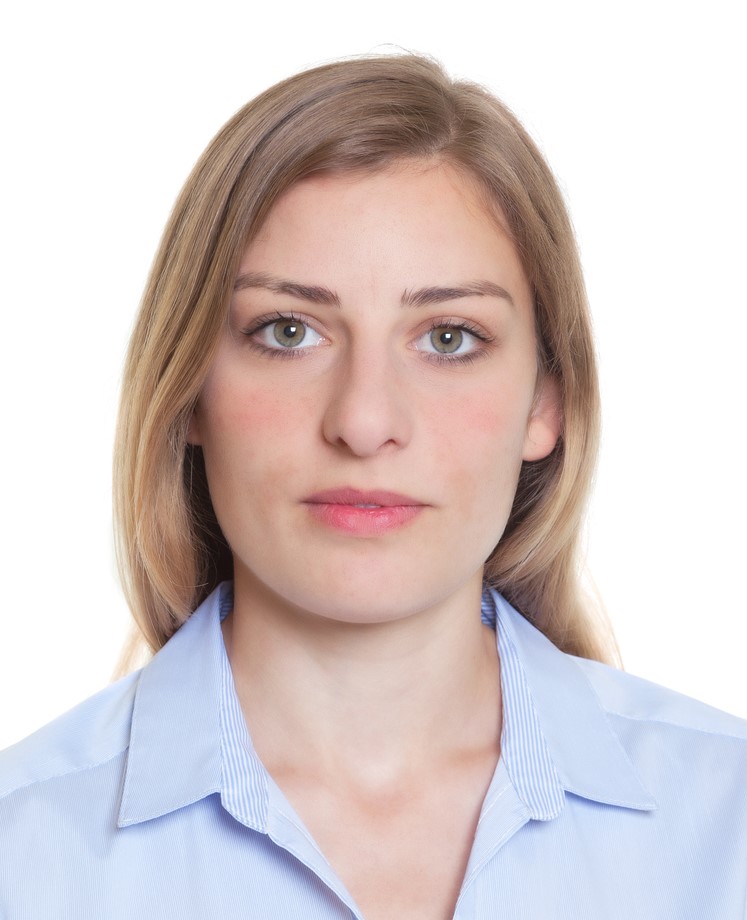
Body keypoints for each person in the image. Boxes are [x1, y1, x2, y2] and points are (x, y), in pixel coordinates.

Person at [1, 52, 745, 920]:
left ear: (548, 401)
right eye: (288, 331)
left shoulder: (727, 828)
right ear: (189, 391)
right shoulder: (25, 853)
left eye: (448, 338)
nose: (362, 421)